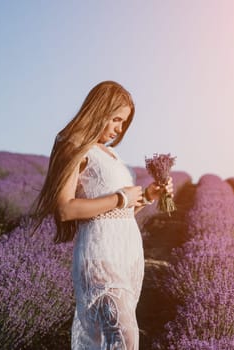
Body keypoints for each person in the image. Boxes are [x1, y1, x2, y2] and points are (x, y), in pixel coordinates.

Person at [29, 80, 174, 349]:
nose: (119, 129)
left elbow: (119, 213)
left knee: (112, 339)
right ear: (99, 111)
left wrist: (149, 196)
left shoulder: (111, 154)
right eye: (116, 119)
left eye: (124, 123)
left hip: (127, 256)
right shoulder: (73, 145)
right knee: (125, 338)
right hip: (100, 255)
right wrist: (120, 198)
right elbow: (64, 209)